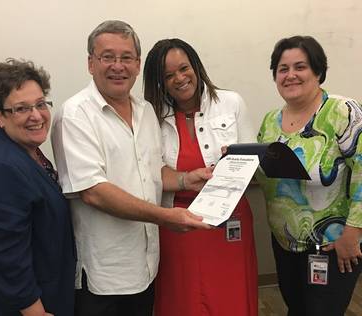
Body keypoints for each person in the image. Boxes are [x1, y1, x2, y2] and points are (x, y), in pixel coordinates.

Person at [51, 20, 212, 316]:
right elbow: (94, 192)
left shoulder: (145, 110)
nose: (118, 66)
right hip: (105, 275)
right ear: (90, 63)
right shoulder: (75, 115)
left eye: (126, 57)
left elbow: (154, 171)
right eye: (107, 57)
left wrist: (187, 179)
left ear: (138, 64)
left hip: (147, 264)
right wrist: (165, 217)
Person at [143, 38, 258, 316]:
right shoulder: (150, 116)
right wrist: (184, 178)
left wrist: (235, 164)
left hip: (229, 221)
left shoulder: (231, 102)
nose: (179, 79)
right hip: (178, 223)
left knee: (230, 298)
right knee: (183, 300)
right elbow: (152, 172)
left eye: (184, 68)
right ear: (159, 82)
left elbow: (254, 159)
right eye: (168, 75)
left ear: (196, 66)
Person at [257, 35, 362, 316]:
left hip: (333, 244)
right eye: (282, 69)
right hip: (284, 243)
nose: (290, 75)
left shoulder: (342, 111)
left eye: (300, 67)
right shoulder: (270, 121)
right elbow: (263, 171)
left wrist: (352, 234)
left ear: (318, 71)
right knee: (297, 309)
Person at [0, 59, 76, 316]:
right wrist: (33, 310)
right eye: (21, 109)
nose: (36, 116)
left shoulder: (25, 151)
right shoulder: (0, 168)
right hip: (22, 306)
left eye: (40, 104)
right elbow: (7, 255)